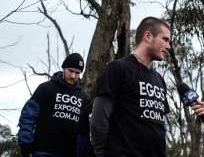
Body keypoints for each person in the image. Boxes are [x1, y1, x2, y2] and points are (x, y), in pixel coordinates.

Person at [90, 16, 171, 157]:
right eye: (165, 39)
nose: (168, 46)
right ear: (148, 36)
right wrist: (103, 154)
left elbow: (160, 126)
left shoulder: (159, 80)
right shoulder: (118, 68)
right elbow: (98, 120)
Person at [17, 53, 90, 157]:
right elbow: (28, 116)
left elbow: (84, 131)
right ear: (64, 68)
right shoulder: (45, 89)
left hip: (69, 153)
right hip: (42, 152)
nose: (73, 76)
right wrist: (25, 143)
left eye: (77, 73)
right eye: (71, 71)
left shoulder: (84, 98)